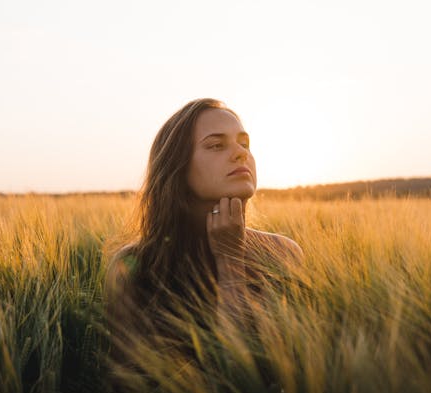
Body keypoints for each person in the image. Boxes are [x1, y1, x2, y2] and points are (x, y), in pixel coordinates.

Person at [104, 98, 304, 375]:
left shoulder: (282, 253)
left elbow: (255, 375)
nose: (240, 153)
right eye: (216, 145)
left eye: (244, 143)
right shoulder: (133, 267)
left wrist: (231, 260)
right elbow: (130, 386)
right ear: (178, 168)